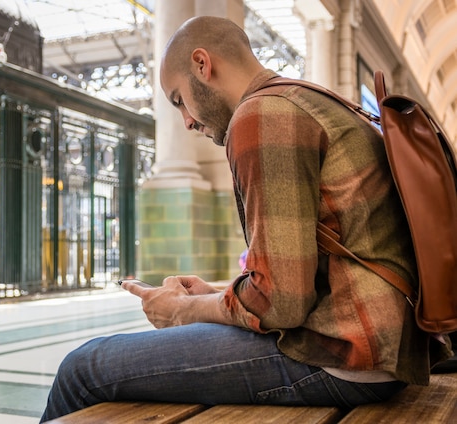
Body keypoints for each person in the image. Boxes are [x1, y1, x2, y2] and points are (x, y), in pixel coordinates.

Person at [40, 16, 452, 422]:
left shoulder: (261, 116)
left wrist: (184, 311)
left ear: (202, 64)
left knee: (83, 367)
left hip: (345, 355)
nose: (185, 120)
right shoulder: (307, 99)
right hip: (385, 346)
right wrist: (211, 292)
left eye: (179, 99)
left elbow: (283, 305)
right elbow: (306, 274)